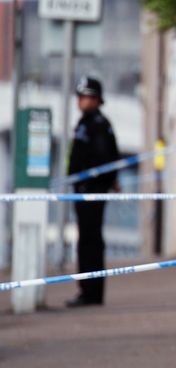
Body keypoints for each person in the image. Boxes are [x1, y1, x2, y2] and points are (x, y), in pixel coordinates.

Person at [65, 76, 119, 307]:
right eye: (80, 97)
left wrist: (99, 181)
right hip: (83, 190)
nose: (82, 101)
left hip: (92, 191)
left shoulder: (98, 124)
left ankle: (91, 293)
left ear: (97, 99)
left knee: (90, 241)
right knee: (86, 240)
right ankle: (87, 289)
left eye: (86, 97)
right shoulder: (86, 123)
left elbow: (105, 160)